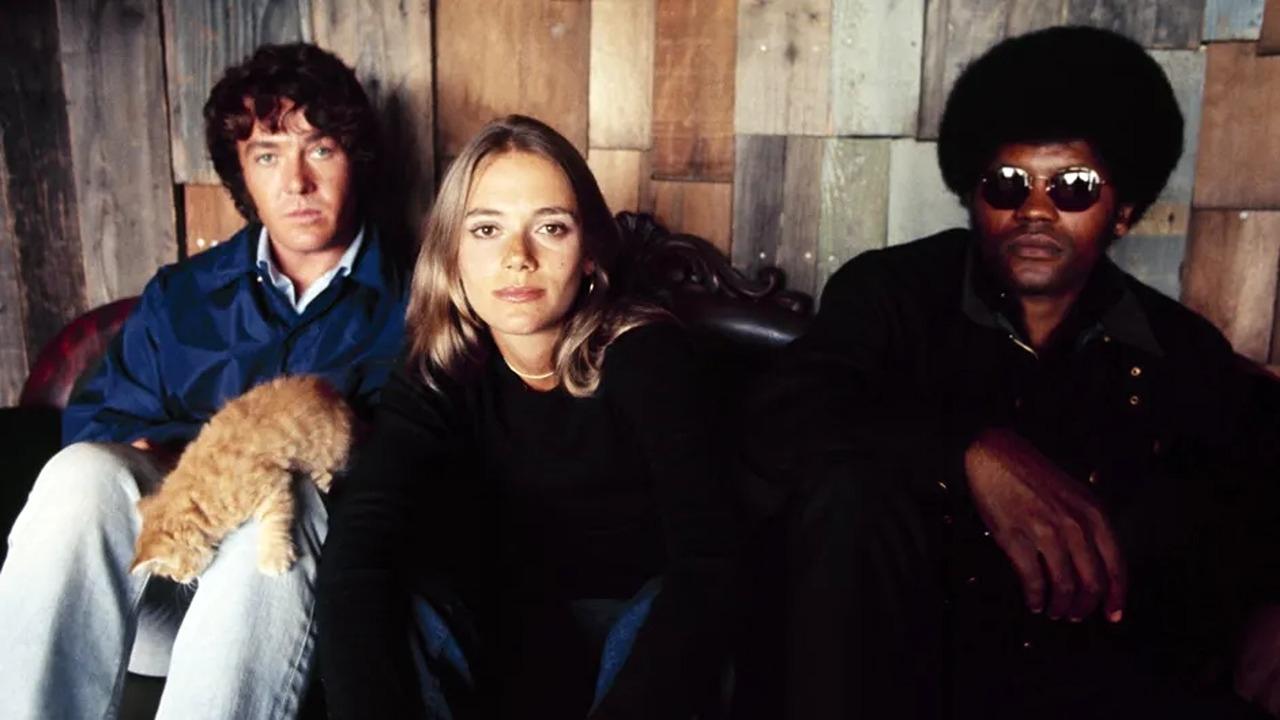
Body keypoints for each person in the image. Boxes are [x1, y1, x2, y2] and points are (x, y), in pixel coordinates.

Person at [746, 26, 1280, 719]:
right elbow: (784, 412)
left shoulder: (1182, 352)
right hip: (897, 668)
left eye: (1073, 187)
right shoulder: (891, 294)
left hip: (1081, 683)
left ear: (1123, 211)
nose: (1034, 209)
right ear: (973, 196)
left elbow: (1248, 507)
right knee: (848, 489)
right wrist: (969, 450)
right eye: (1007, 184)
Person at [0, 42, 406, 719]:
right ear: (241, 173)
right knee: (83, 471)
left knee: (286, 496)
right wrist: (190, 465)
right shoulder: (181, 296)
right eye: (268, 156)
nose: (296, 182)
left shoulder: (418, 302)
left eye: (320, 149)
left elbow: (416, 475)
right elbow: (99, 425)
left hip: (295, 602)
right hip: (165, 589)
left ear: (353, 160)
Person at [316, 114, 739, 719]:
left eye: (550, 227)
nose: (518, 258)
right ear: (453, 255)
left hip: (641, 649)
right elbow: (360, 546)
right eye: (487, 229)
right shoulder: (439, 370)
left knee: (675, 602)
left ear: (589, 253)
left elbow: (709, 562)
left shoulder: (648, 356)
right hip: (504, 646)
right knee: (390, 593)